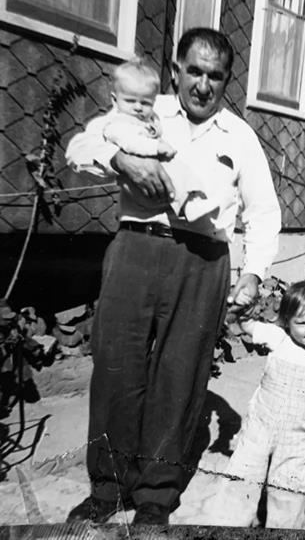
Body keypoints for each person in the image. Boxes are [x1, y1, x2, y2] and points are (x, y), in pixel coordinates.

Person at [64, 28, 281, 525]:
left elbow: (264, 213)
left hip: (203, 262)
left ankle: (156, 497)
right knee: (117, 368)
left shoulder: (240, 136)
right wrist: (120, 159)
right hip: (136, 248)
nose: (203, 85)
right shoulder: (144, 109)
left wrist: (253, 275)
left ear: (227, 82)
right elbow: (79, 147)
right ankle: (107, 488)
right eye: (195, 72)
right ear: (176, 70)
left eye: (216, 77)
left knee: (181, 377)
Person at [197, 280, 305, 529]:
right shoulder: (278, 338)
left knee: (289, 487)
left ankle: (284, 527)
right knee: (244, 474)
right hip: (260, 426)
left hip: (297, 437)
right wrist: (242, 311)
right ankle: (230, 523)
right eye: (302, 322)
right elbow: (246, 327)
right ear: (286, 320)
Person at [103, 57, 230, 222]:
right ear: (176, 72)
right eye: (130, 101)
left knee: (180, 170)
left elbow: (262, 210)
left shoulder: (240, 133)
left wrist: (155, 129)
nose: (138, 107)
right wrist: (153, 148)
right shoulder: (117, 122)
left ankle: (195, 201)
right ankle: (189, 206)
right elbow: (130, 143)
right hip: (141, 207)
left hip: (199, 240)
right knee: (171, 175)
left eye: (145, 103)